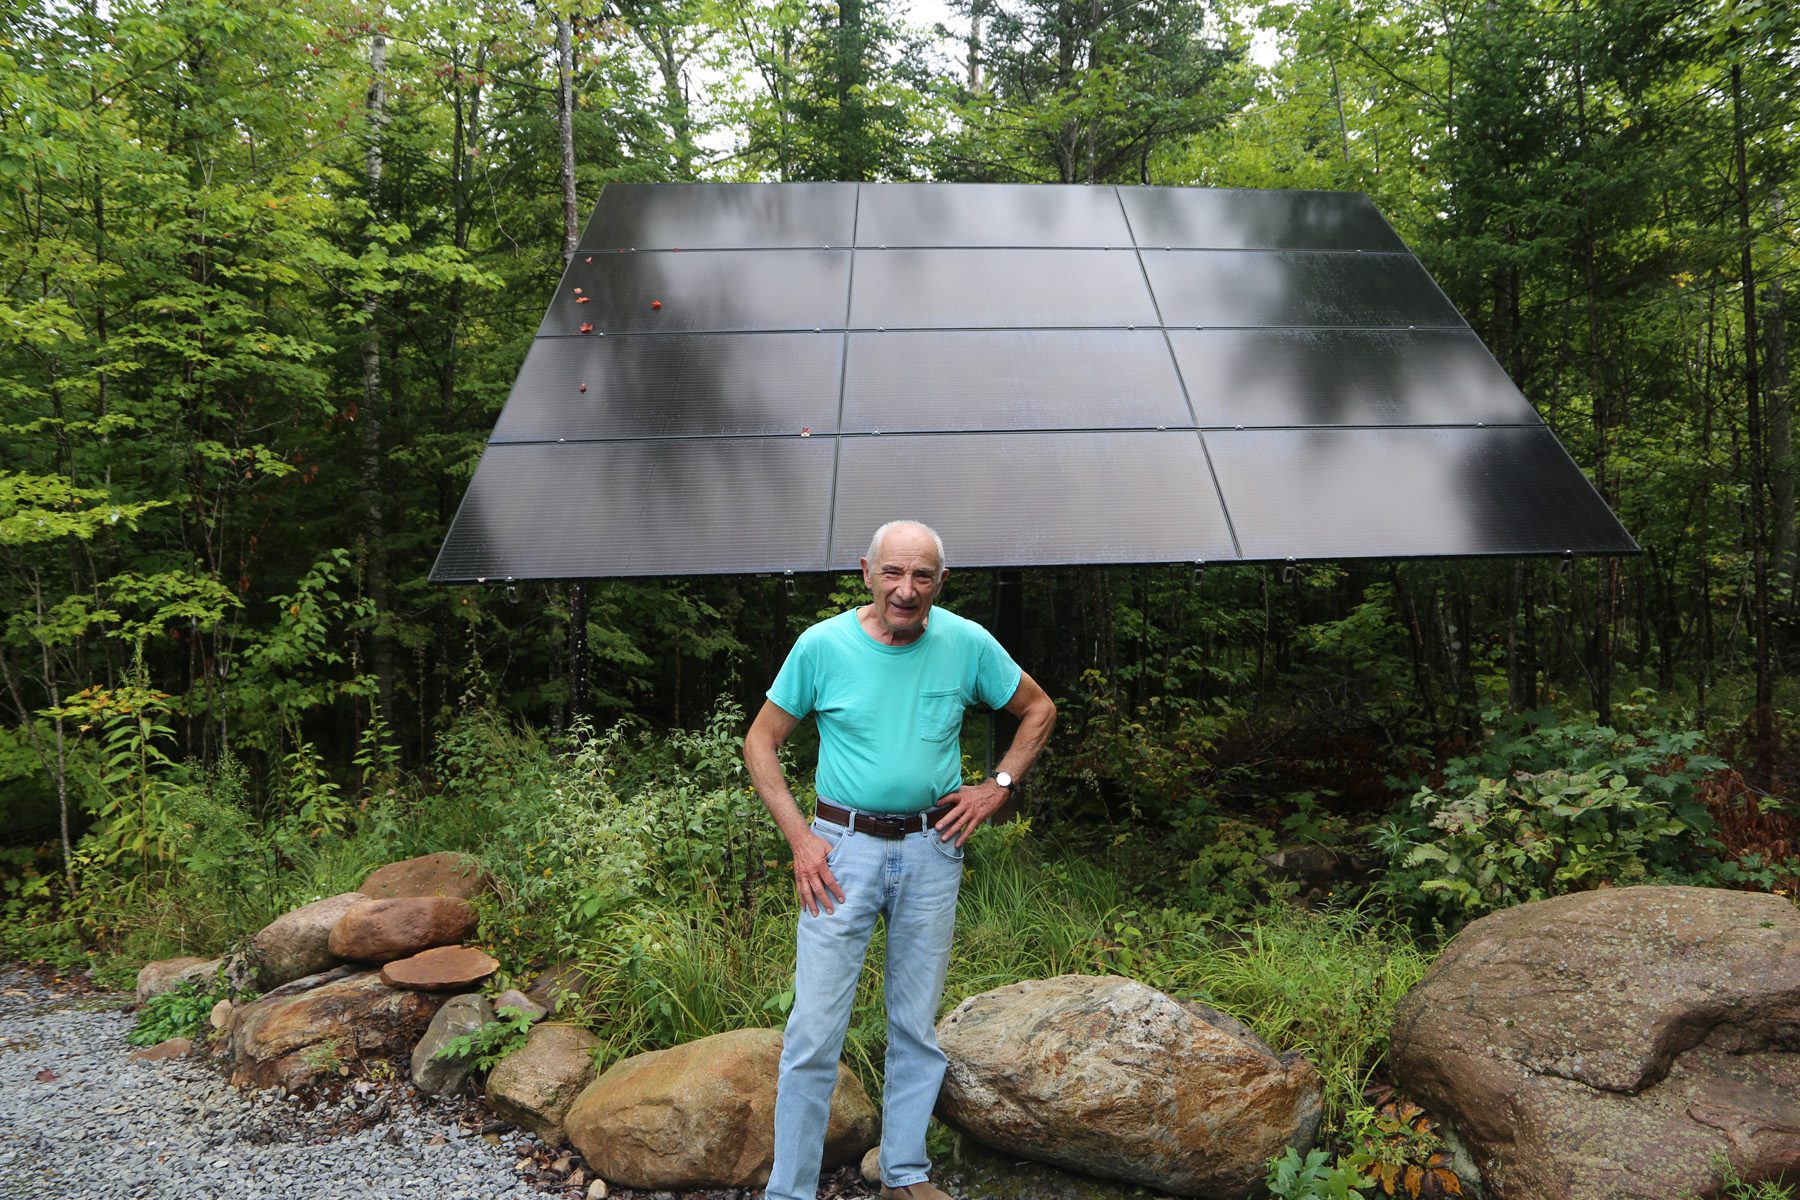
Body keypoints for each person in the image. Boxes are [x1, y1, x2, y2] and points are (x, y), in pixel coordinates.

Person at [743, 520, 1056, 1200]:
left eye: (921, 577)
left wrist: (996, 788)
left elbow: (1037, 709)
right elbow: (760, 742)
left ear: (941, 582)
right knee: (814, 1031)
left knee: (915, 1024)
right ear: (866, 572)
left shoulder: (966, 643)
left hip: (932, 849)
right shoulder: (821, 646)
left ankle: (906, 1171)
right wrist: (800, 837)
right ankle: (790, 1191)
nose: (906, 591)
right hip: (839, 853)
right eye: (893, 573)